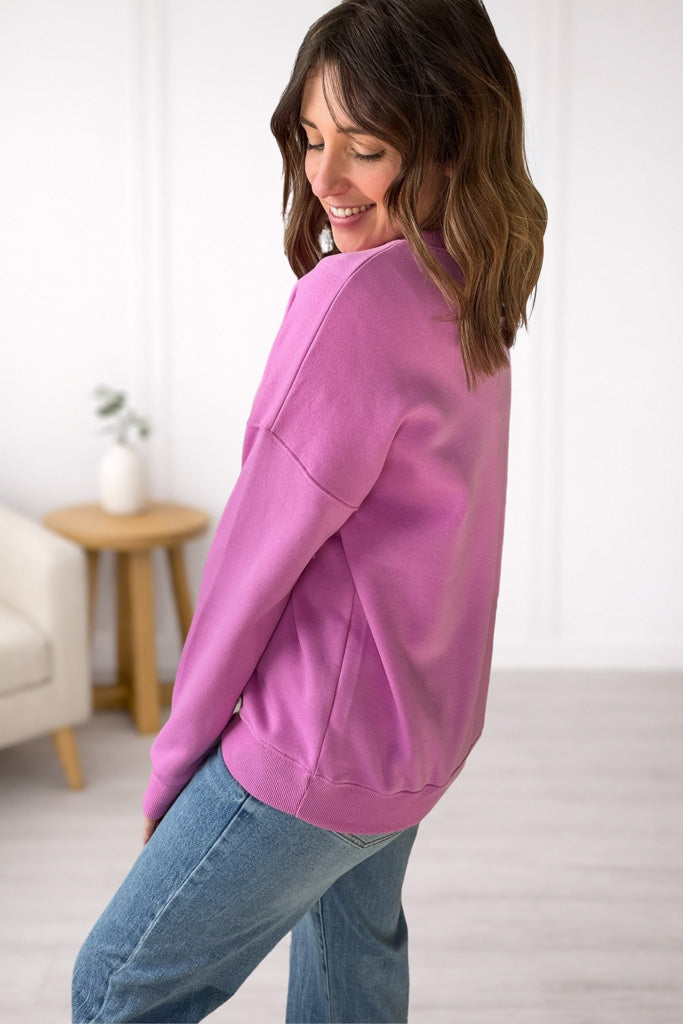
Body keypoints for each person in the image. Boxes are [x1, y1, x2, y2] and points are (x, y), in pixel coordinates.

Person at [72, 0, 546, 1021]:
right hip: (413, 741)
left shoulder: (353, 302)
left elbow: (250, 569)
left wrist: (172, 768)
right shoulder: (471, 290)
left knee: (110, 988)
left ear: (448, 145)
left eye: (363, 148)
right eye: (309, 136)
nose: (323, 177)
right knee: (349, 984)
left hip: (309, 750)